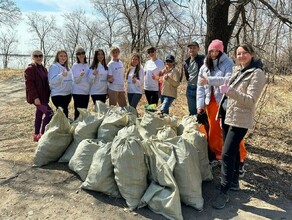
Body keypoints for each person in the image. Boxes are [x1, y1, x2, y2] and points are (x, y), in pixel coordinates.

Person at [212, 43, 266, 209]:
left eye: (244, 53)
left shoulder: (257, 73)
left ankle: (224, 191)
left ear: (251, 54)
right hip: (229, 116)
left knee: (227, 154)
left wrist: (229, 91)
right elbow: (225, 83)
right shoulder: (237, 70)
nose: (241, 56)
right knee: (233, 151)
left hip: (241, 120)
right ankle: (234, 182)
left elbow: (250, 100)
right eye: (239, 53)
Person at [196, 39, 248, 164]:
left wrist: (209, 80)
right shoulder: (204, 67)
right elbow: (200, 87)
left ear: (221, 51)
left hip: (225, 100)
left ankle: (240, 155)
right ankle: (217, 153)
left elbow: (228, 79)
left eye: (216, 51)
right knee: (213, 129)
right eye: (211, 51)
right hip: (210, 102)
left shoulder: (228, 63)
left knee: (231, 128)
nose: (214, 53)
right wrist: (200, 105)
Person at [24, 50, 53, 142]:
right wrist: (35, 97)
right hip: (37, 98)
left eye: (40, 56)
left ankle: (36, 135)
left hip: (44, 97)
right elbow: (29, 85)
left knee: (39, 114)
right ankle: (42, 134)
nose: (38, 58)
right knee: (49, 113)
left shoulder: (43, 69)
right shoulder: (30, 69)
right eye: (36, 56)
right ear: (33, 57)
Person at [48, 49, 72, 118]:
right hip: (58, 95)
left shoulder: (68, 68)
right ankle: (60, 128)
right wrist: (61, 75)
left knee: (65, 113)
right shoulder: (54, 67)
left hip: (67, 95)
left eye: (65, 56)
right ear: (57, 57)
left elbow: (71, 81)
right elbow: (51, 81)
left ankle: (64, 128)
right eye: (61, 56)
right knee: (61, 115)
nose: (63, 57)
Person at [184, 41, 205, 115]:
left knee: (201, 112)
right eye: (190, 48)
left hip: (200, 88)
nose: (192, 50)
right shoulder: (186, 62)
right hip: (189, 88)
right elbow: (187, 76)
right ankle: (193, 125)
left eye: (194, 48)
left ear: (198, 49)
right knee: (192, 112)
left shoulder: (202, 60)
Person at [71, 46, 90, 120]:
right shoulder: (75, 66)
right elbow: (76, 81)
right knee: (78, 112)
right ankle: (76, 128)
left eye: (83, 53)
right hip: (77, 92)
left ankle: (82, 129)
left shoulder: (87, 65)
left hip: (86, 92)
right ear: (76, 55)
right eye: (79, 53)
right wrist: (81, 75)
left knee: (84, 112)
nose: (81, 55)